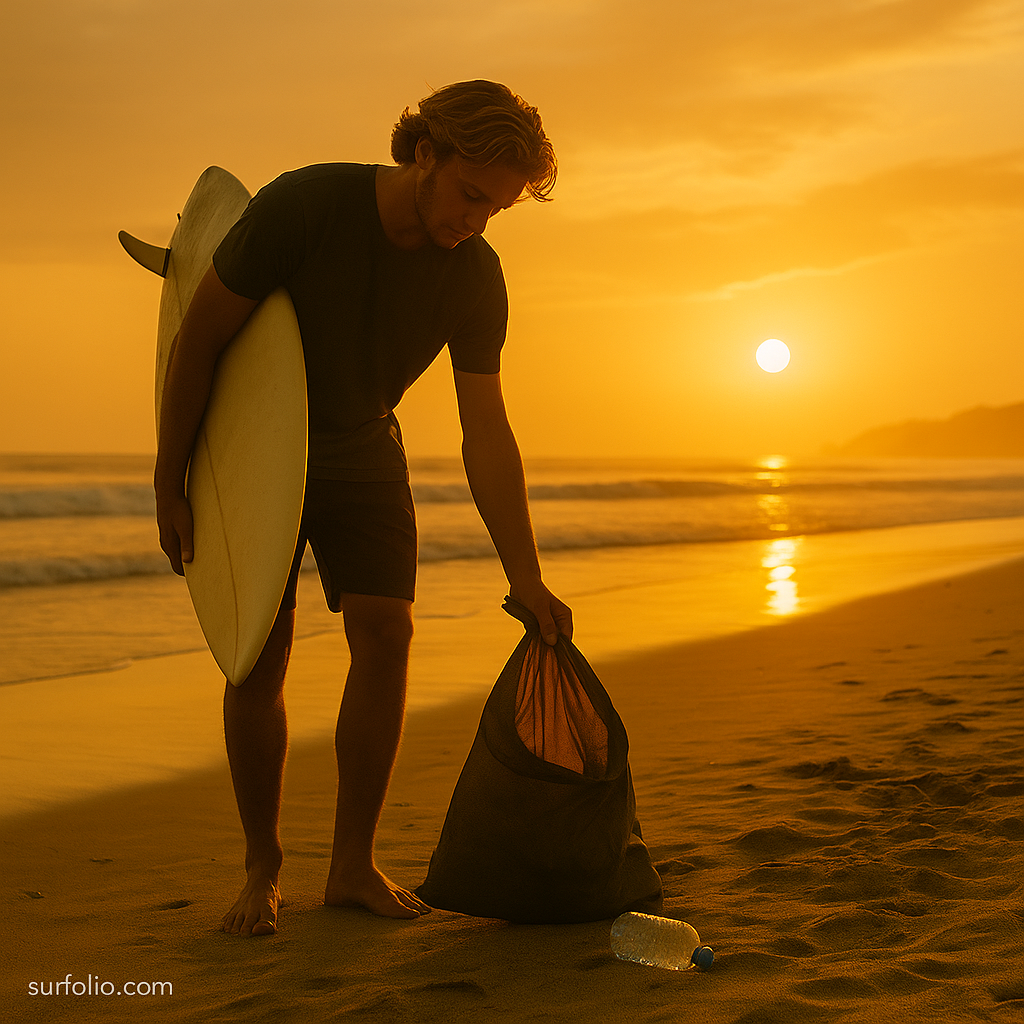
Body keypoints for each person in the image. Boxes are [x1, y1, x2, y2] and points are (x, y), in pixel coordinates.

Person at [153, 80, 573, 937]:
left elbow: (485, 431)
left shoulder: (473, 274)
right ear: (425, 152)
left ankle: (351, 864)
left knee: (387, 632)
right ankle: (263, 865)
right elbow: (199, 336)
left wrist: (525, 575)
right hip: (253, 441)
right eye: (470, 195)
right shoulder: (305, 206)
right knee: (257, 654)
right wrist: (170, 475)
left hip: (361, 443)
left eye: (497, 208)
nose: (477, 220)